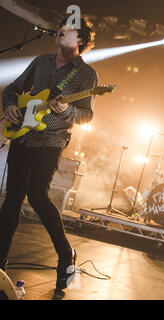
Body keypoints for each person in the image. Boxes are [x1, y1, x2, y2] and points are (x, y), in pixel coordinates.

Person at [0, 16, 97, 290]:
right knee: (12, 199)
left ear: (79, 41)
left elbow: (87, 115)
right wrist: (9, 106)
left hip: (52, 140)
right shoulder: (41, 61)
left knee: (38, 196)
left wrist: (68, 110)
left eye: (67, 31)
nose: (60, 32)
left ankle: (66, 256)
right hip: (23, 136)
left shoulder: (87, 75)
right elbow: (13, 89)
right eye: (60, 29)